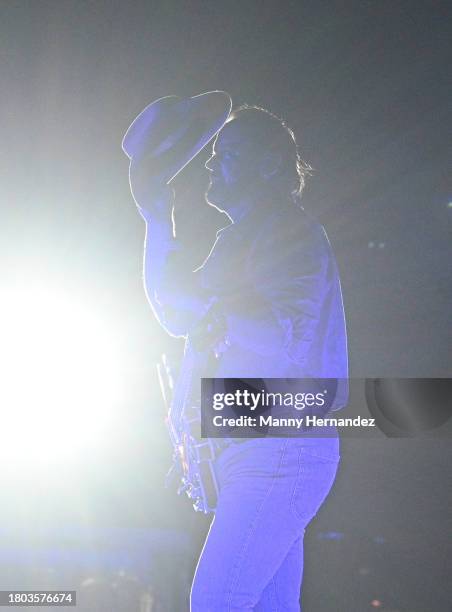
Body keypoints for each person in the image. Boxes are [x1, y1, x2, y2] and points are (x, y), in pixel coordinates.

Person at [128, 103, 348, 611]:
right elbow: (179, 315)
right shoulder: (243, 236)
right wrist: (157, 218)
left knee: (217, 601)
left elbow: (279, 338)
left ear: (270, 165)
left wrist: (213, 307)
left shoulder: (287, 231)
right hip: (263, 450)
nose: (209, 164)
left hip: (279, 448)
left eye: (226, 154)